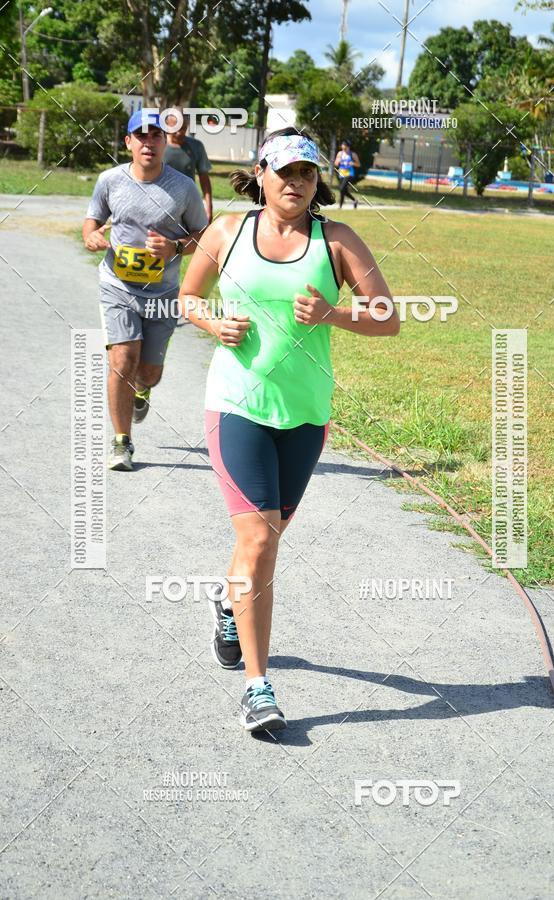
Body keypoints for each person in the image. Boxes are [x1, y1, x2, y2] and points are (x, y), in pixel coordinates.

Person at [180, 127, 399, 732]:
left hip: (305, 416)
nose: (297, 183)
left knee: (265, 539)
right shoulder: (227, 232)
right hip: (236, 406)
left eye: (307, 173)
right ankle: (258, 688)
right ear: (261, 173)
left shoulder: (339, 241)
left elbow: (388, 318)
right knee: (258, 541)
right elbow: (188, 296)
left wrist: (334, 313)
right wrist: (212, 324)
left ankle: (228, 604)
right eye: (286, 172)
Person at [83, 109, 208, 471]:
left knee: (149, 371)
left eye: (156, 135)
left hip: (164, 292)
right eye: (141, 135)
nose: (149, 141)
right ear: (128, 142)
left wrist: (175, 248)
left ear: (165, 141)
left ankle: (142, 390)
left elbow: (203, 236)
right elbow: (93, 219)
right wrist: (91, 235)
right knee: (122, 358)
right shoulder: (110, 180)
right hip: (117, 286)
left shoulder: (184, 188)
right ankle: (122, 442)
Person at [163, 109, 213, 224]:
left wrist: (209, 207)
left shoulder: (196, 146)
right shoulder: (159, 145)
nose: (180, 133)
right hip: (162, 205)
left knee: (192, 239)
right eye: (176, 128)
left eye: (183, 128)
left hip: (189, 206)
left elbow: (204, 178)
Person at [334, 139, 360, 209]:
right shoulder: (340, 153)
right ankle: (354, 201)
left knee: (342, 188)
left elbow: (358, 164)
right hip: (341, 173)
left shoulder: (353, 154)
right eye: (343, 146)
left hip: (349, 174)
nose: (344, 147)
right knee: (343, 190)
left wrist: (353, 163)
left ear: (349, 147)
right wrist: (338, 161)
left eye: (346, 146)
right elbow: (335, 163)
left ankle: (340, 206)